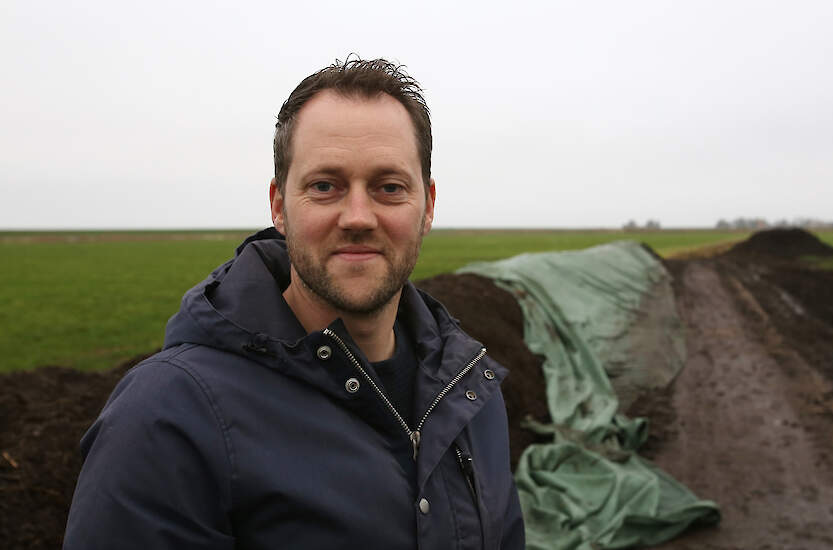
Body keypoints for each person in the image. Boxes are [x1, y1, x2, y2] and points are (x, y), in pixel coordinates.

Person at [63, 57, 525, 549]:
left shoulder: (470, 392)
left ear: (427, 206)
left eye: (389, 188)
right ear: (279, 205)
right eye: (325, 186)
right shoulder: (169, 417)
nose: (358, 216)